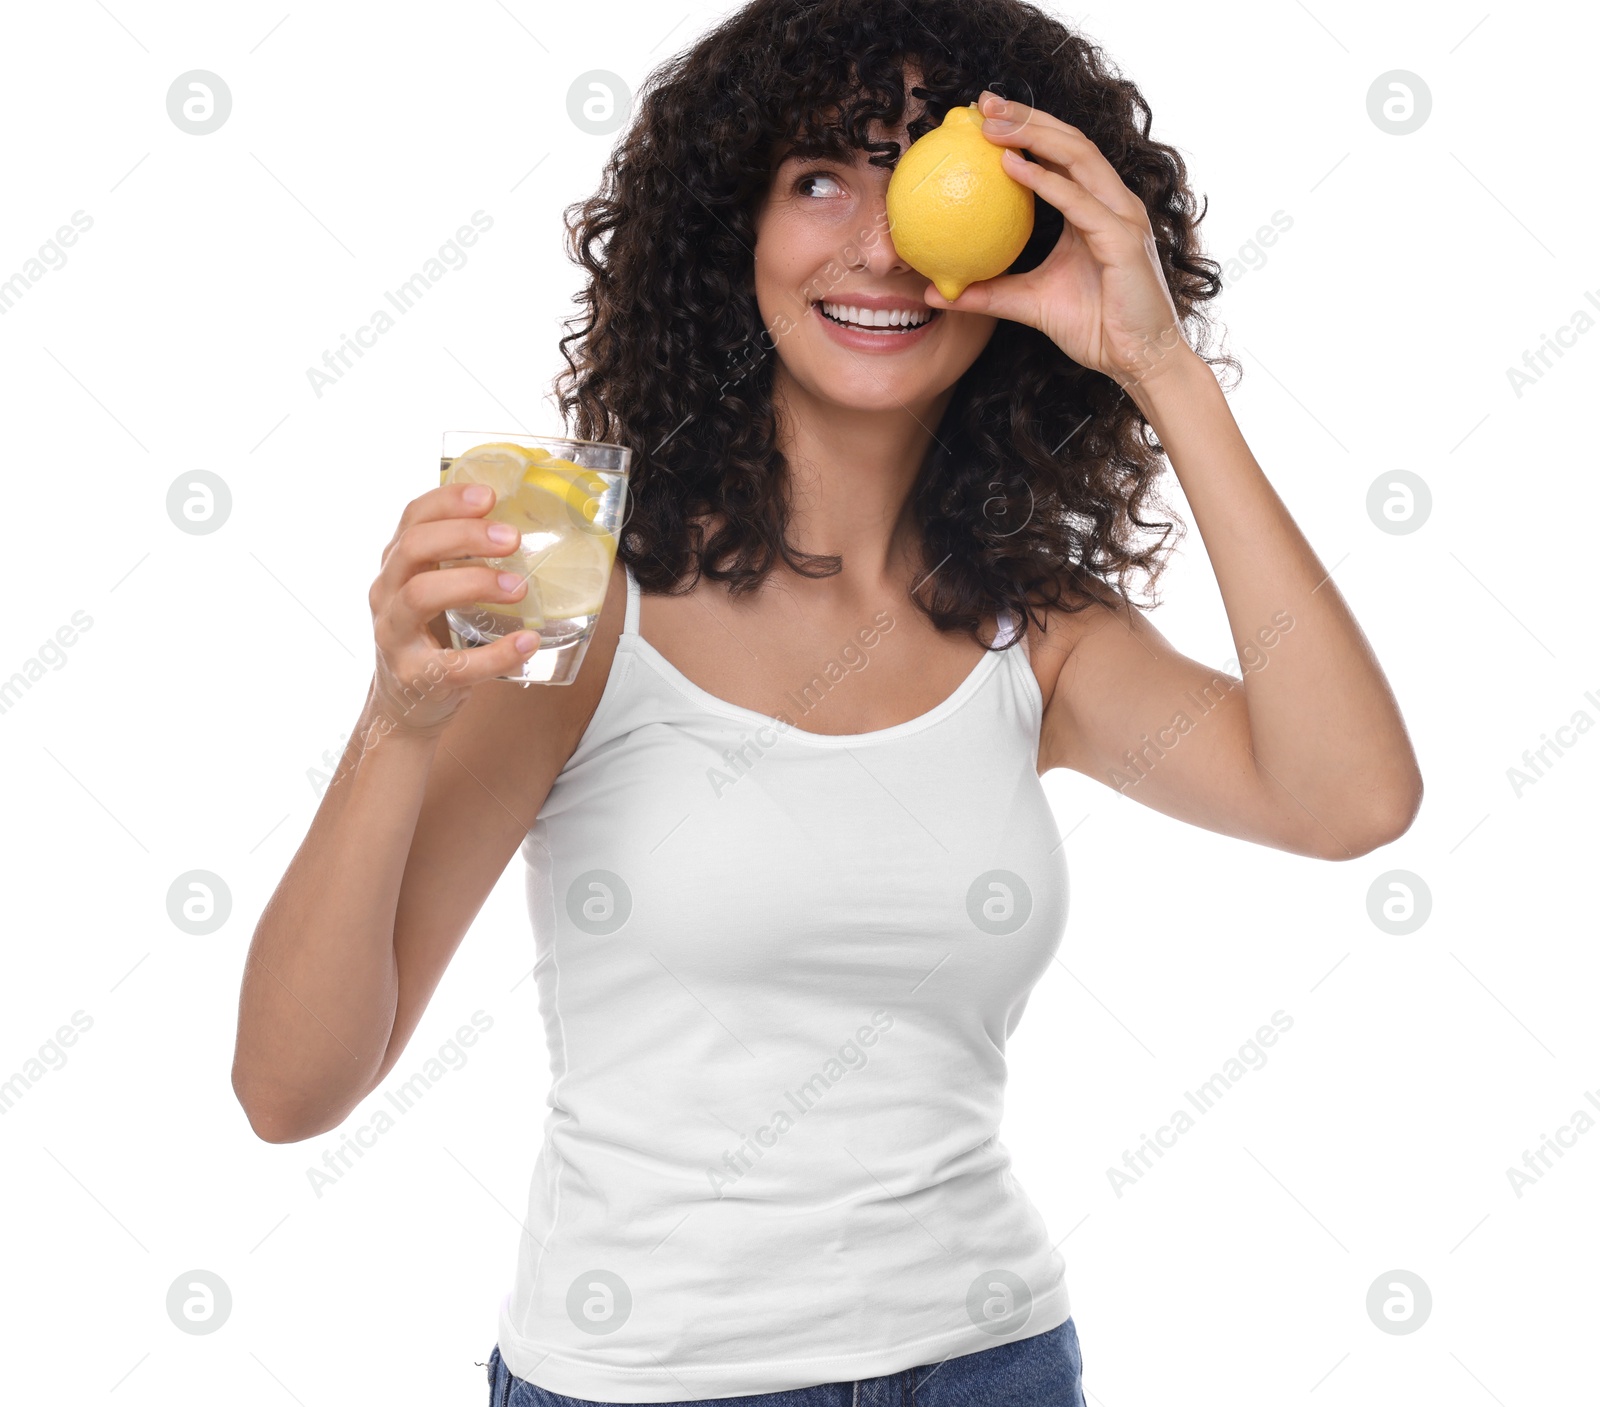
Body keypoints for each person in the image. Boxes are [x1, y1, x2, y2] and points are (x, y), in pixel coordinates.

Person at [232, 2, 1423, 1403]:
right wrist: (396, 720)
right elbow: (291, 1093)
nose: (881, 244)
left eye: (929, 178)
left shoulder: (1033, 636)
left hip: (993, 1363)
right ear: (726, 234)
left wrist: (1162, 365)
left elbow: (1353, 800)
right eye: (819, 178)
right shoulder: (575, 589)